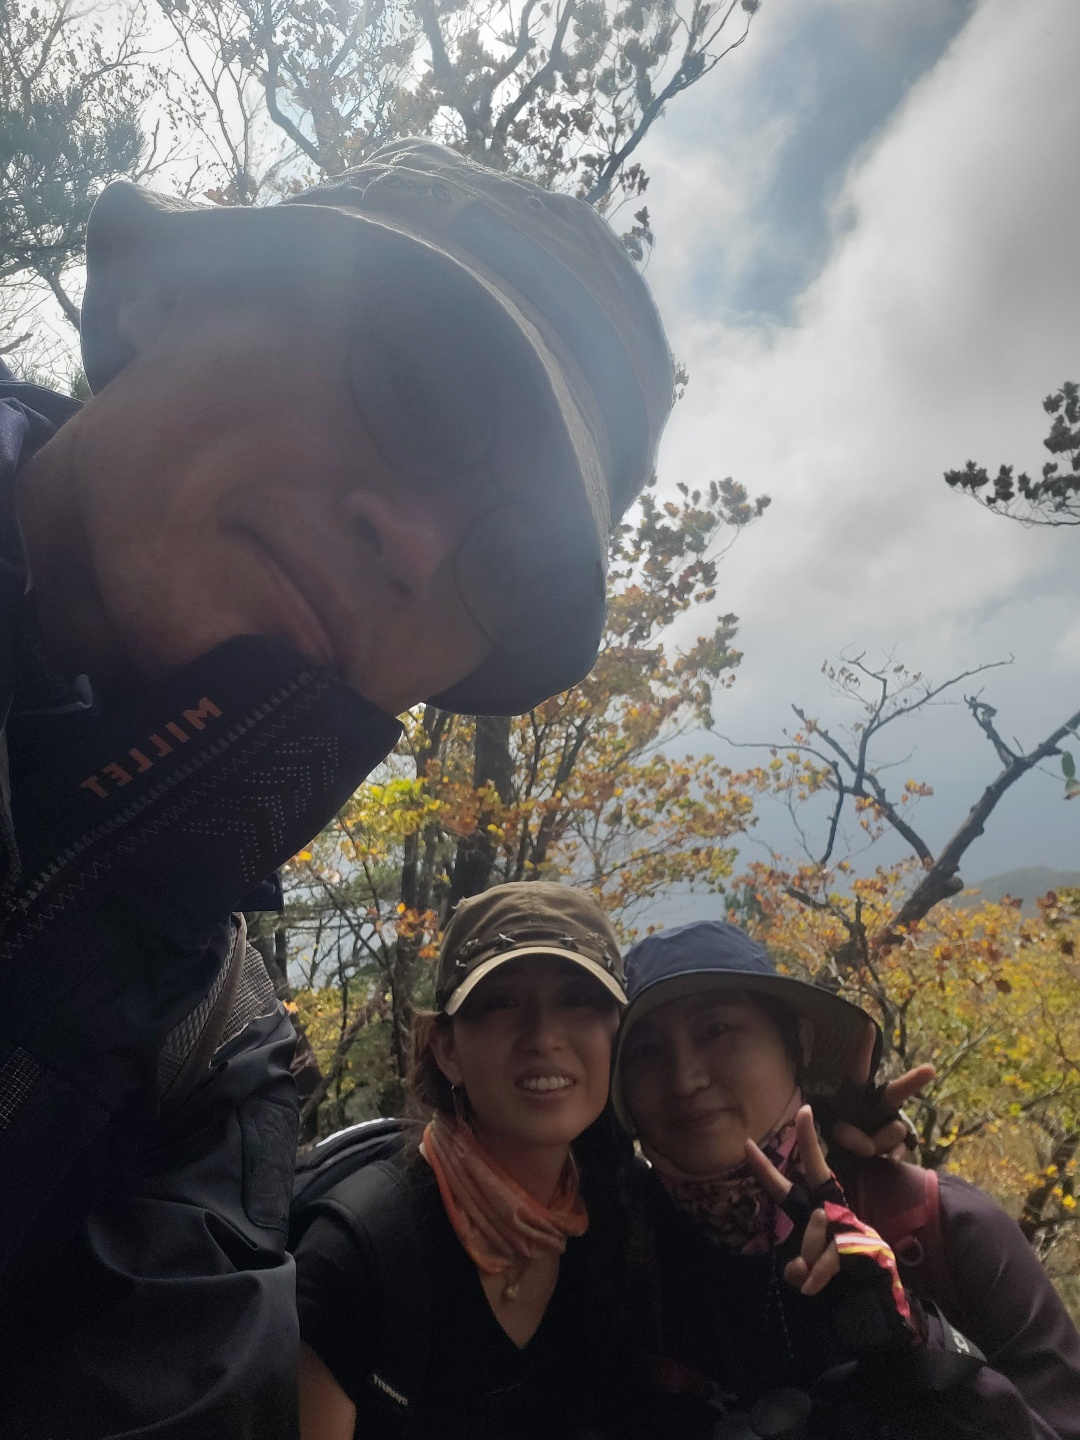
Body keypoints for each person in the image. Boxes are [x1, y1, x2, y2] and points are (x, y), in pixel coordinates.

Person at [0, 137, 675, 1439]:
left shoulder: (206, 1064)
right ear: (160, 294)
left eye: (504, 568)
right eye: (416, 387)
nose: (417, 547)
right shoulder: (355, 1223)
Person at [612, 919, 1070, 1439]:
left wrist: (922, 1346)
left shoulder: (939, 1225)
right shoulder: (617, 1252)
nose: (685, 1078)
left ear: (798, 1043)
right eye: (645, 1051)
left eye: (716, 1030)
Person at [293, 881, 633, 1440]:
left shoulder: (617, 1219)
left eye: (577, 999)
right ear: (447, 1049)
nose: (544, 1036)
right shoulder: (357, 1259)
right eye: (502, 1003)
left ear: (618, 1035)